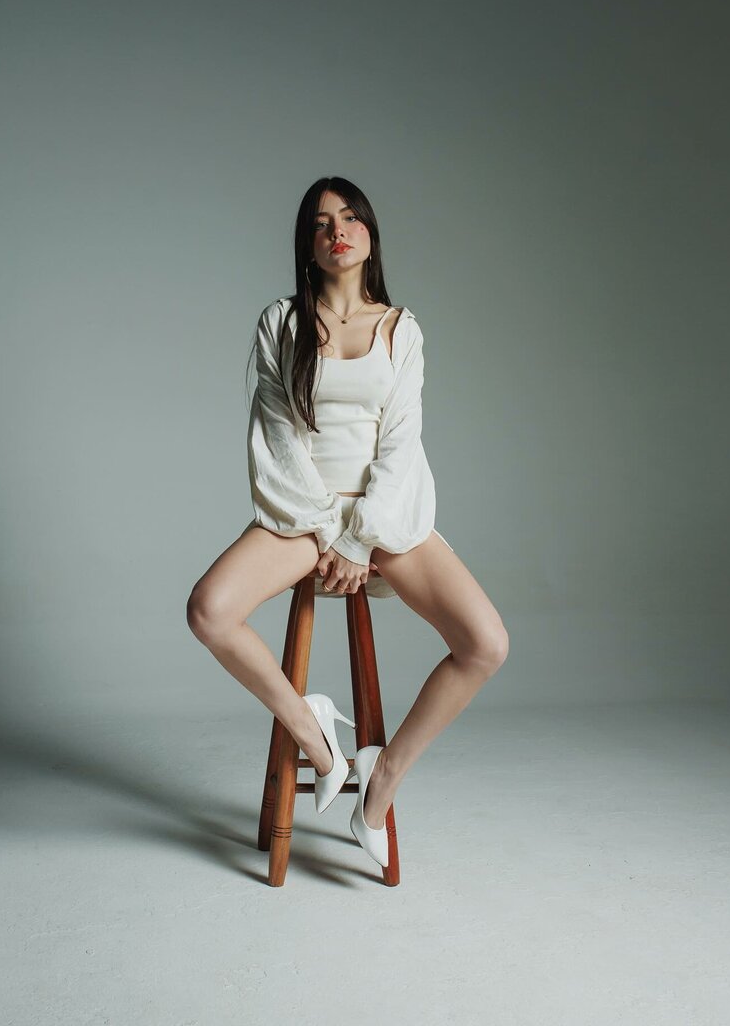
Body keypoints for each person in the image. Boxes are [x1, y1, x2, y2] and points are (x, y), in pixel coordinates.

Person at [187, 176, 509, 867]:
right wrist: (327, 533)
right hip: (303, 516)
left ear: (369, 234)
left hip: (384, 516)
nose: (338, 230)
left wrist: (362, 536)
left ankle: (382, 776)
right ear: (306, 244)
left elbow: (401, 443)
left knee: (485, 644)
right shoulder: (281, 323)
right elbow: (278, 438)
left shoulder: (401, 329)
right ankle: (318, 738)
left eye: (351, 217)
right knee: (209, 610)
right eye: (321, 222)